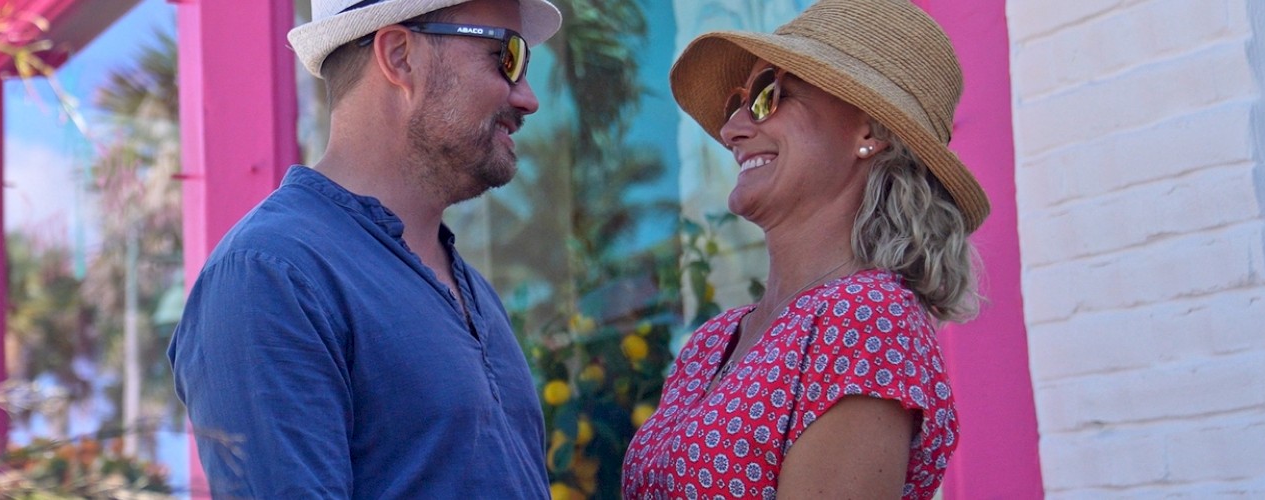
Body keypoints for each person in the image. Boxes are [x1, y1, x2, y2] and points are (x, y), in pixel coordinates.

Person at [166, 0, 561, 497]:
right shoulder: (271, 275)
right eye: (507, 57)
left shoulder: (469, 286)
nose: (527, 97)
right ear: (399, 57)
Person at [620, 0, 987, 498]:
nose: (732, 130)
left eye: (768, 97)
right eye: (737, 103)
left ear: (868, 130)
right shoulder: (712, 342)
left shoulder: (866, 322)